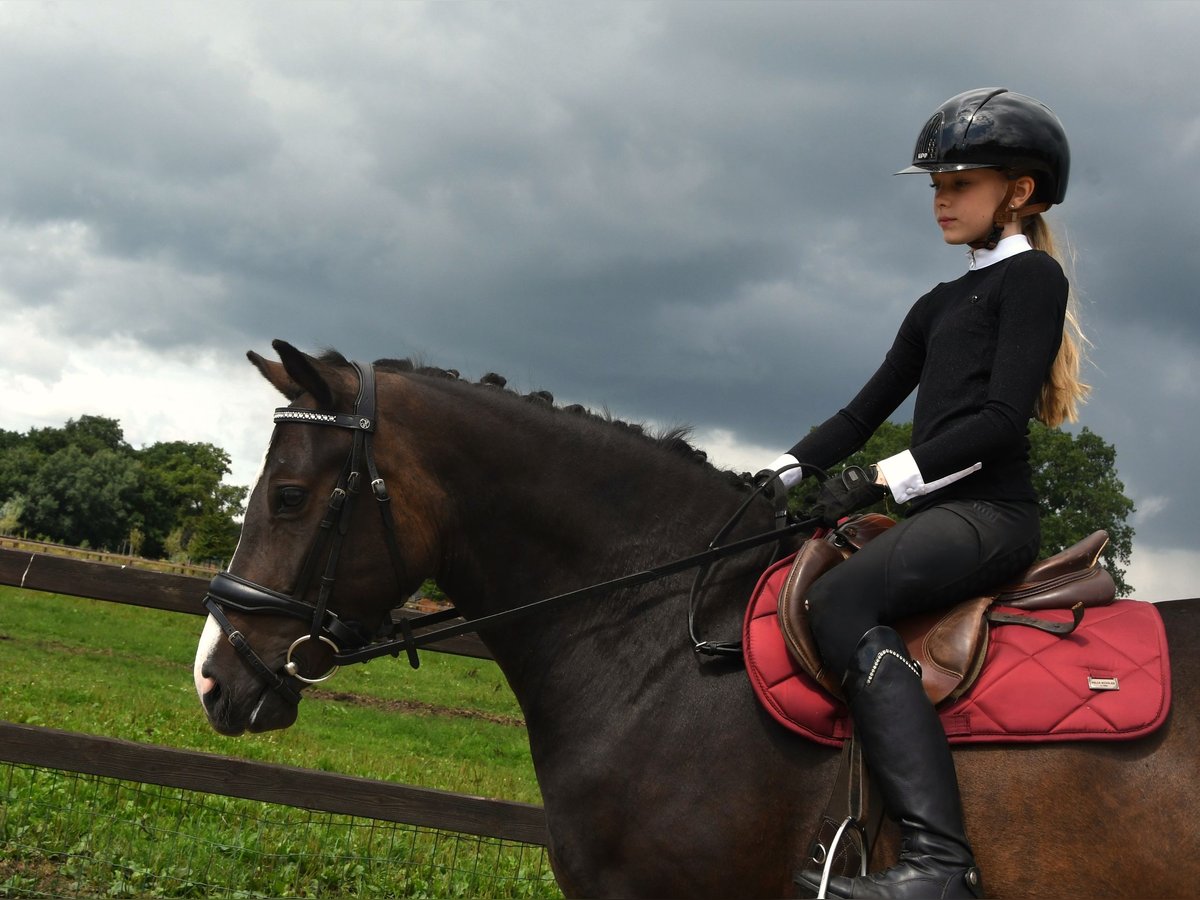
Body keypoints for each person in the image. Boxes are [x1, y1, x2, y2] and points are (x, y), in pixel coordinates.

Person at [767, 88, 1089, 899]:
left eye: (961, 184)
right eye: (935, 186)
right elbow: (860, 410)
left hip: (992, 516)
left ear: (1019, 191)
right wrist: (780, 473)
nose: (941, 200)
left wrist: (882, 477)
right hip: (942, 512)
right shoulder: (938, 303)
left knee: (837, 605)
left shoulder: (1033, 280)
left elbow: (996, 421)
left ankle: (940, 863)